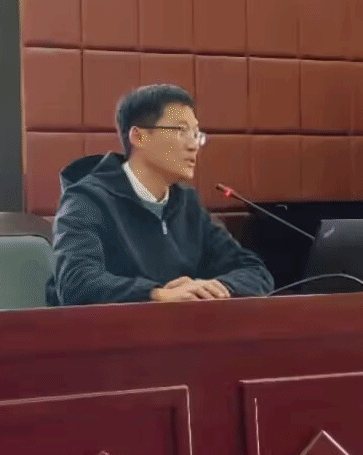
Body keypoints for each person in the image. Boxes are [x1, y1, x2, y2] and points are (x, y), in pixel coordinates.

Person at [45, 84, 273, 306]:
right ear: (139, 137)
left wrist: (213, 288)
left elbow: (255, 271)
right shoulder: (86, 201)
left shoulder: (188, 204)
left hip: (180, 328)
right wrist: (156, 295)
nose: (193, 145)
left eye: (196, 134)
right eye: (181, 131)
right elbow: (76, 282)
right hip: (111, 329)